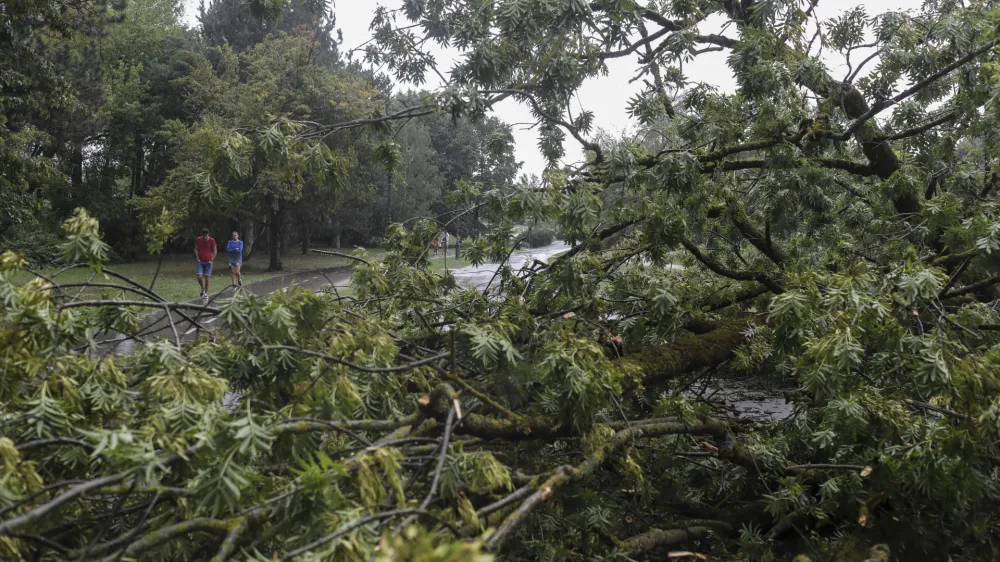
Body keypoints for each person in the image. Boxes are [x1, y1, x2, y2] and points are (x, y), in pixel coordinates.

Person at [194, 228, 217, 299]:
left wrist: (212, 259)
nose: (205, 237)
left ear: (208, 234)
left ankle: (206, 293)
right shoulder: (198, 239)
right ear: (202, 234)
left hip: (208, 262)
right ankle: (202, 288)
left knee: (207, 277)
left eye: (206, 236)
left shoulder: (212, 240)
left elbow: (215, 250)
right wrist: (197, 258)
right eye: (204, 236)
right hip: (200, 261)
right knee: (199, 276)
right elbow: (195, 249)